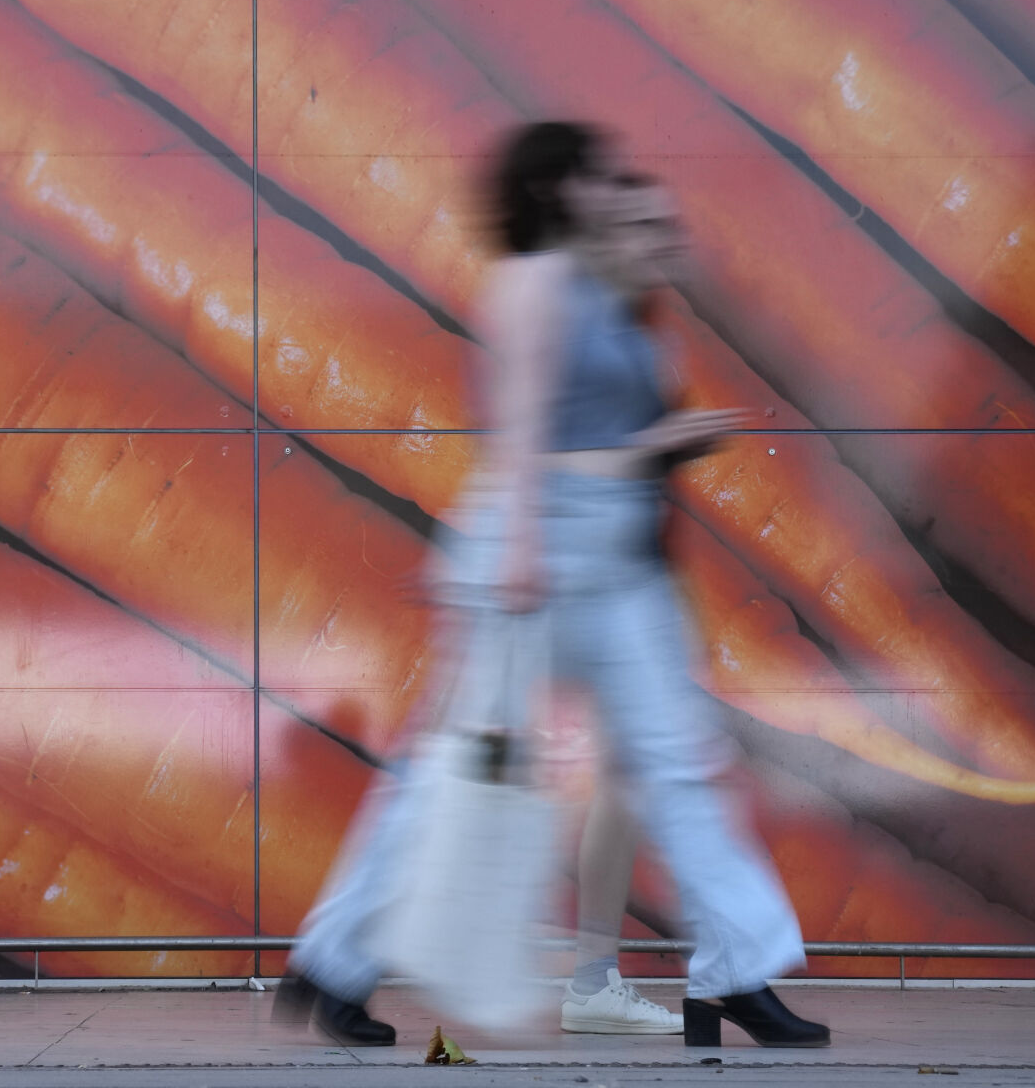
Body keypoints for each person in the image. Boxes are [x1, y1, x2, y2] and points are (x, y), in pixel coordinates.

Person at [275, 124, 829, 1050]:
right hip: (536, 549)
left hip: (617, 569)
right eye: (599, 175)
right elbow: (520, 428)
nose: (615, 188)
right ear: (561, 189)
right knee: (451, 770)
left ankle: (736, 971)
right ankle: (333, 961)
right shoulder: (532, 282)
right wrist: (532, 535)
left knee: (680, 760)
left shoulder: (607, 292)